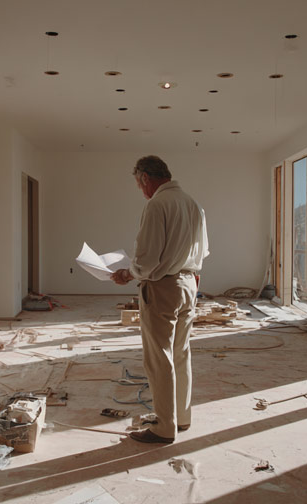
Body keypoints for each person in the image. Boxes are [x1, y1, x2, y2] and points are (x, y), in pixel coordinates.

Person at [110, 155, 209, 444]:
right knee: (180, 353)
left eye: (140, 185)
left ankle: (165, 426)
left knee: (159, 358)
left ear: (145, 179)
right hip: (190, 283)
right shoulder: (193, 204)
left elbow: (148, 259)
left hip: (163, 287)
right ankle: (182, 417)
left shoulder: (157, 205)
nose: (141, 191)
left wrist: (128, 273)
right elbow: (203, 251)